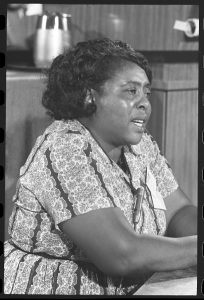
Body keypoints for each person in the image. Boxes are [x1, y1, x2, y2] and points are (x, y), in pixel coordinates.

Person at [4, 38, 197, 295]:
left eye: (146, 92)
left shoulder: (140, 146)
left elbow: (178, 211)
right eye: (131, 91)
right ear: (89, 95)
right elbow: (121, 254)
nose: (145, 103)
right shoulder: (64, 149)